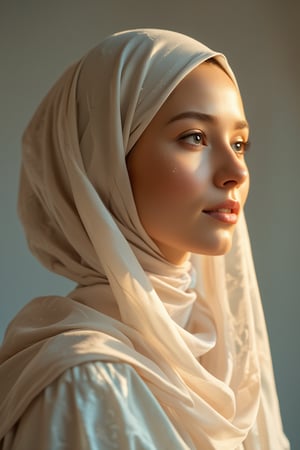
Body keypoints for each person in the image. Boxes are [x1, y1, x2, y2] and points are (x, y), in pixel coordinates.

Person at [0, 29, 289, 450]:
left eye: (240, 143)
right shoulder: (86, 386)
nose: (237, 172)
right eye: (195, 137)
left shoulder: (225, 363)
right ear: (106, 162)